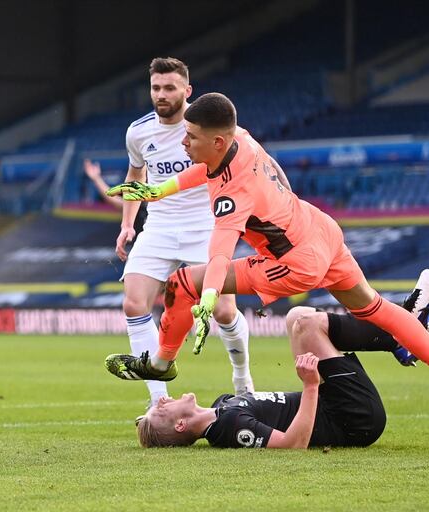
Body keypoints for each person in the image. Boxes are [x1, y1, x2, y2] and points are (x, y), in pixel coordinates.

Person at [105, 92, 429, 450]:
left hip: (291, 261)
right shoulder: (241, 139)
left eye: (191, 136)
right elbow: (205, 173)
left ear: (218, 141)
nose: (183, 143)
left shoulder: (232, 194)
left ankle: (161, 362)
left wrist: (208, 298)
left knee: (181, 283)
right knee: (373, 307)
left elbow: (220, 255)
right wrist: (157, 191)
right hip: (319, 229)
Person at [92, 58, 254, 408]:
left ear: (187, 90)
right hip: (159, 226)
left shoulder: (208, 125)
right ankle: (159, 400)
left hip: (206, 224)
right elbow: (136, 177)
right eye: (155, 88)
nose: (161, 95)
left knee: (225, 311)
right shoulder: (138, 132)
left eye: (169, 88)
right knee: (134, 302)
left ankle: (243, 381)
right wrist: (127, 225)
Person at [136, 278, 429, 449]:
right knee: (303, 324)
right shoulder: (229, 428)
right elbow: (293, 444)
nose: (162, 398)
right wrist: (311, 385)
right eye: (161, 409)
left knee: (298, 318)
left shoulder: (223, 406)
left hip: (338, 404)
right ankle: (399, 334)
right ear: (180, 426)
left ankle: (401, 338)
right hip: (354, 418)